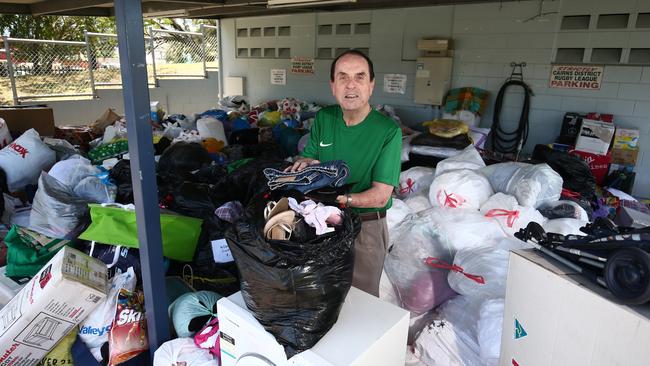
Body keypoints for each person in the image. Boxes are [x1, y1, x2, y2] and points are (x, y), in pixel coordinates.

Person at [288, 50, 402, 297]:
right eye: (343, 77)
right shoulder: (324, 118)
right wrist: (304, 164)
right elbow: (307, 155)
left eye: (360, 77)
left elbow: (381, 195)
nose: (351, 85)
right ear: (333, 86)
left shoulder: (388, 131)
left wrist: (340, 200)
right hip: (320, 221)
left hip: (366, 227)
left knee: (360, 299)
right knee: (321, 292)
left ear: (371, 85)